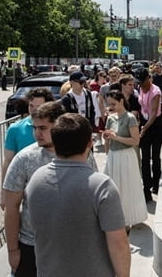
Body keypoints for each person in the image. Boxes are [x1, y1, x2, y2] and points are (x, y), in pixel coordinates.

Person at [26, 114, 130, 277]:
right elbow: (119, 243)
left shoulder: (36, 180)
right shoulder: (102, 187)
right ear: (89, 143)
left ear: (54, 141)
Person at [3, 101, 97, 277]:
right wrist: (13, 250)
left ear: (59, 126)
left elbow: (91, 196)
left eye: (43, 128)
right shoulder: (24, 159)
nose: (37, 133)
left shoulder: (82, 154)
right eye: (35, 127)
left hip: (71, 246)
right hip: (31, 247)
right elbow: (11, 207)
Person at [0, 88, 54, 209]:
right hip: (24, 190)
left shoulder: (58, 126)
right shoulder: (15, 129)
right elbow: (8, 161)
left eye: (39, 106)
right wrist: (4, 192)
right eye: (31, 106)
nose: (34, 110)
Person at [103, 90, 146, 229]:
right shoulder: (110, 118)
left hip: (126, 155)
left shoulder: (130, 118)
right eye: (109, 104)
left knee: (128, 186)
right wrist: (107, 141)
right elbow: (108, 140)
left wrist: (117, 138)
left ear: (121, 101)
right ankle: (118, 217)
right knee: (114, 187)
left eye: (113, 104)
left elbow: (135, 140)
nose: (111, 107)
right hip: (114, 155)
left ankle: (130, 218)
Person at [137, 68, 162, 201]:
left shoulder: (156, 92)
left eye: (142, 81)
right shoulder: (140, 88)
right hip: (145, 123)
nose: (141, 85)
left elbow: (154, 113)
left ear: (148, 79)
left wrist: (145, 128)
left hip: (155, 125)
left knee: (155, 156)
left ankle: (156, 184)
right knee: (145, 158)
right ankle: (146, 187)